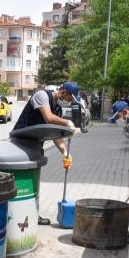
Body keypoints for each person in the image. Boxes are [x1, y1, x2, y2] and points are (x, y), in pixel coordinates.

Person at [12, 81, 81, 225]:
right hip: (20, 144)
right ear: (63, 92)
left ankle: (32, 215)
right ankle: (14, 215)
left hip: (36, 146)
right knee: (20, 183)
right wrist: (66, 123)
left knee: (33, 183)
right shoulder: (42, 95)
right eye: (69, 98)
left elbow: (55, 135)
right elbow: (48, 118)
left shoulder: (58, 109)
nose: (69, 102)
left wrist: (65, 152)